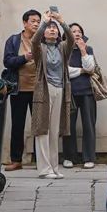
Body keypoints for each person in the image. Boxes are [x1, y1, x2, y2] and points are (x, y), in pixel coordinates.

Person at [31, 10, 74, 179]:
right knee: (43, 129)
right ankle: (44, 169)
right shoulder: (39, 48)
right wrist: (44, 22)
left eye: (54, 28)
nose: (52, 30)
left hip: (60, 88)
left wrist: (62, 22)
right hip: (44, 88)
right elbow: (34, 40)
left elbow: (70, 39)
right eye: (49, 28)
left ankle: (54, 167)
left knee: (55, 129)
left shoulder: (63, 47)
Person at [3, 9, 42, 171]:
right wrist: (24, 58)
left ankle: (41, 160)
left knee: (39, 126)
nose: (36, 24)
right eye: (33, 21)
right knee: (17, 126)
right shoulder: (13, 41)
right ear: (25, 23)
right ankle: (16, 160)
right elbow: (8, 61)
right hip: (19, 89)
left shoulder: (42, 40)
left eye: (39, 21)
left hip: (38, 89)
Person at [62, 23, 96, 170]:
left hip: (87, 92)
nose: (77, 33)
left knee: (89, 125)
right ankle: (69, 157)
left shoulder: (88, 49)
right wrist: (82, 70)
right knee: (69, 126)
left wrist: (83, 50)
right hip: (69, 92)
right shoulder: (63, 49)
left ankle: (89, 157)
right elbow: (64, 71)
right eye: (73, 31)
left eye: (79, 31)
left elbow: (91, 68)